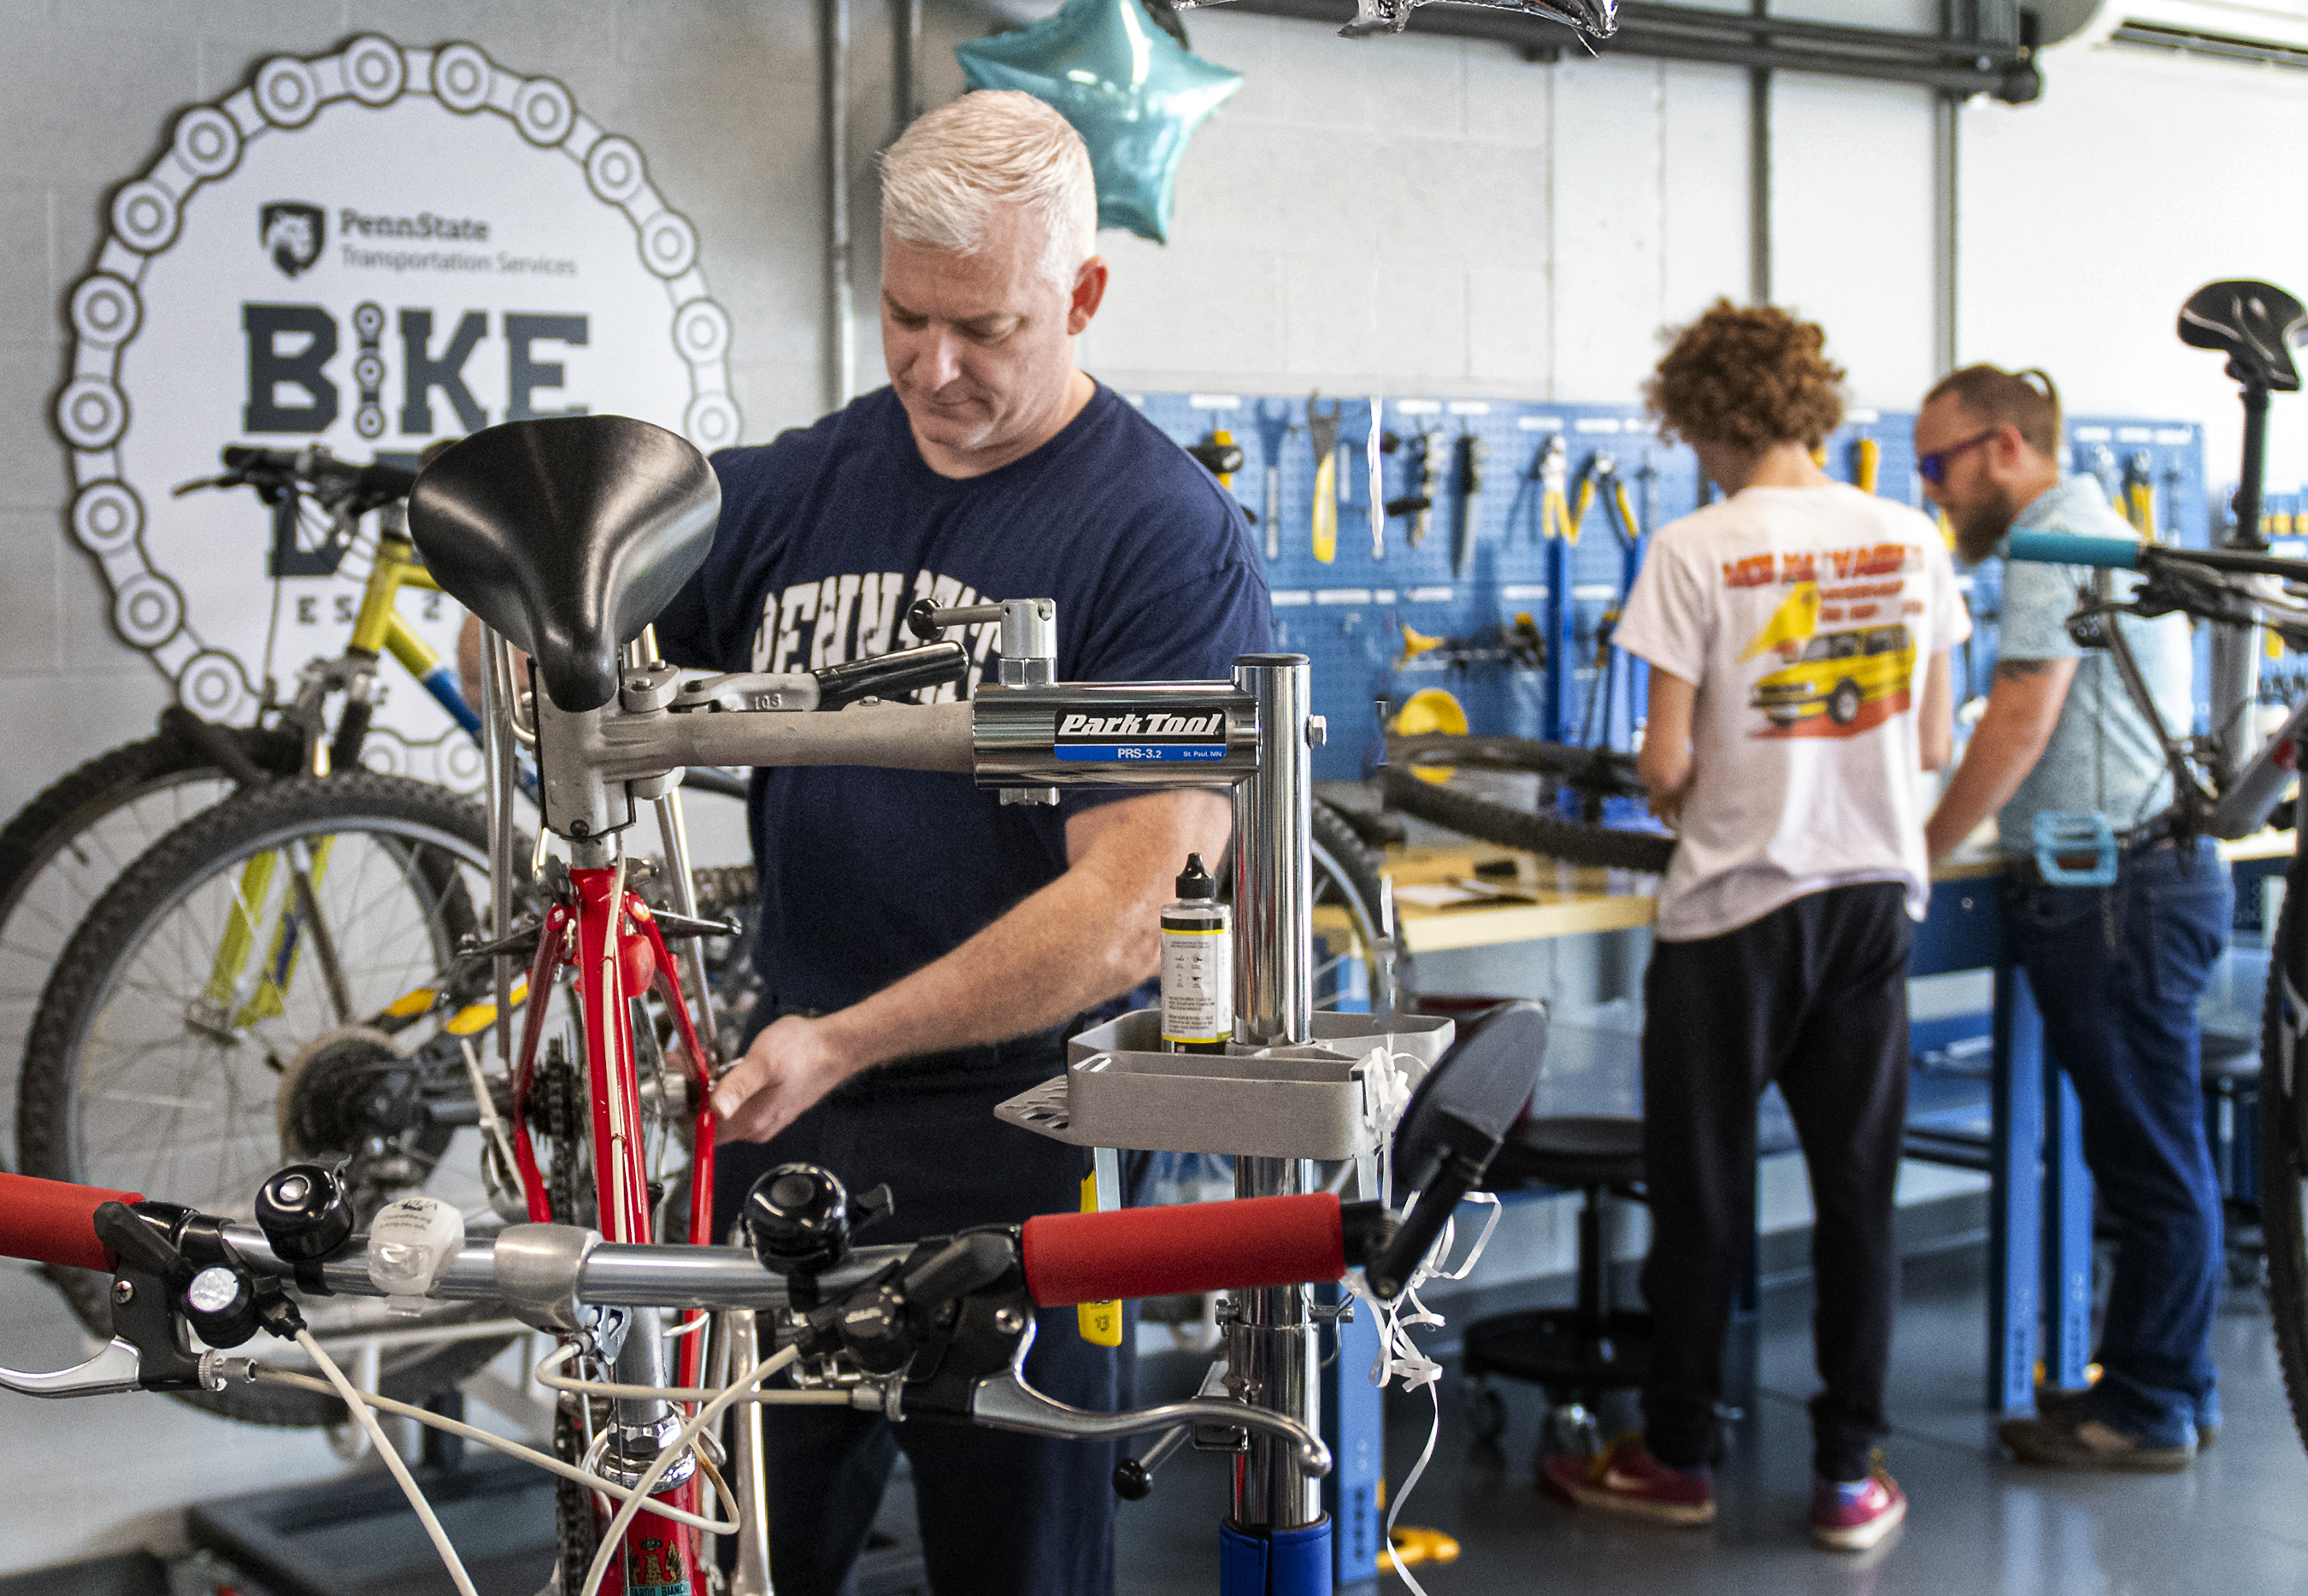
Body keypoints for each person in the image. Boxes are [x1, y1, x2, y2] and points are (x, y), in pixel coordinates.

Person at [623, 91, 1266, 1593]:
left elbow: (1127, 914)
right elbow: (584, 618)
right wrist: (523, 592)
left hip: (1029, 1144)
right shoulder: (810, 481)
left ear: (1084, 294)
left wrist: (847, 1039)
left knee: (1017, 1565)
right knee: (744, 1549)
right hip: (794, 1118)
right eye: (907, 316)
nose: (934, 365)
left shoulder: (1156, 534)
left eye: (983, 327)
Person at [1540, 301, 1963, 1552]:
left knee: (1705, 1195)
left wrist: (1678, 769)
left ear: (1702, 417)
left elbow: (1665, 760)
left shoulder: (1694, 545)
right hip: (1872, 904)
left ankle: (1678, 1457)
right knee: (1856, 1195)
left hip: (1734, 914)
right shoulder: (1910, 538)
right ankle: (1848, 1476)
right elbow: (1935, 740)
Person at [1916, 365, 2228, 1471]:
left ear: (2005, 447)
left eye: (1937, 464)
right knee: (2149, 1141)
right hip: (2133, 881)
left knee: (2146, 1150)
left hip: (2116, 891)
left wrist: (1926, 847)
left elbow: (2019, 714)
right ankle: (2172, 1381)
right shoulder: (2093, 529)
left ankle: (2145, 1407)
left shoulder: (2055, 540)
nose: (1933, 492)